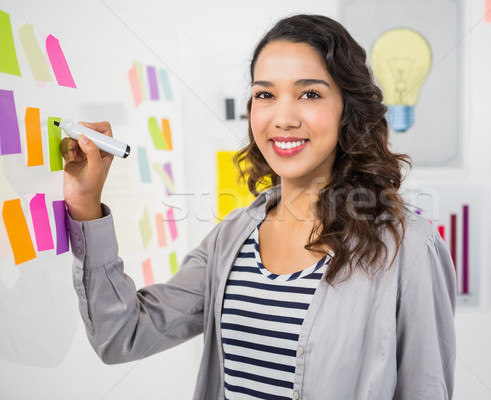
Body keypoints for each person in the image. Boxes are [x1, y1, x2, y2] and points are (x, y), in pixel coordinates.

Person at [61, 14, 456, 400]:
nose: (282, 118)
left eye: (310, 94)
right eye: (265, 94)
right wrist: (84, 203)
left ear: (347, 111)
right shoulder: (232, 237)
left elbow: (425, 388)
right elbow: (122, 335)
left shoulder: (408, 248)